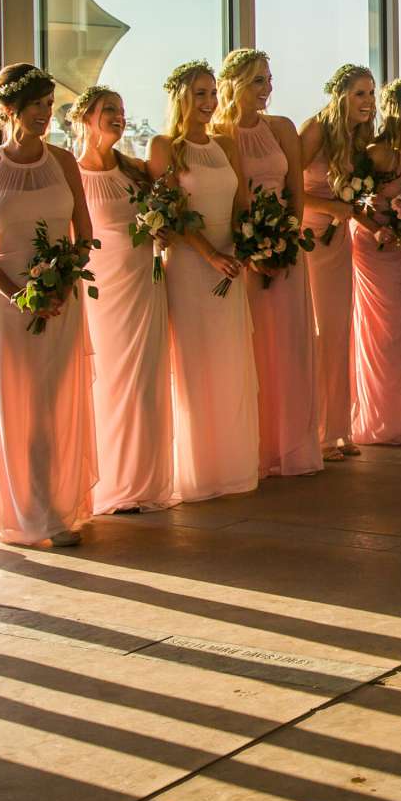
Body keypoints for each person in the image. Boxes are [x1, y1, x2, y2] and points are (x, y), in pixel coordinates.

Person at [0, 65, 96, 549]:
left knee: (56, 400)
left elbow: (86, 233)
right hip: (10, 302)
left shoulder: (64, 161)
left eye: (49, 104)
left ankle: (60, 505)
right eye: (37, 105)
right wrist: (19, 295)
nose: (46, 114)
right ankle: (30, 510)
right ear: (9, 110)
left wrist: (63, 282)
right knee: (23, 403)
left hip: (62, 296)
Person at [150, 60, 264, 500]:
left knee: (232, 361)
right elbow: (170, 214)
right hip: (191, 268)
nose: (210, 101)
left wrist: (241, 244)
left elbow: (240, 202)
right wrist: (210, 254)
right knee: (196, 367)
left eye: (213, 92)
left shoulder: (225, 144)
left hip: (230, 263)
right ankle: (199, 474)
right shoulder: (165, 147)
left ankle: (233, 468)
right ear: (181, 97)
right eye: (200, 93)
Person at [217, 48, 321, 478]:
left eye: (269, 79)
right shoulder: (217, 133)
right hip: (243, 251)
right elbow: (228, 198)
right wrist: (253, 248)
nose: (268, 88)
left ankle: (292, 446)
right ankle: (256, 450)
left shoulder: (282, 128)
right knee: (254, 347)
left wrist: (285, 240)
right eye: (259, 80)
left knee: (290, 343)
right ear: (236, 83)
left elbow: (295, 188)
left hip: (286, 246)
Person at [72, 87, 177, 514]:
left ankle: (144, 482)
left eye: (121, 109)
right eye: (108, 110)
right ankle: (109, 483)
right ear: (84, 118)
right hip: (102, 294)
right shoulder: (71, 174)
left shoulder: (135, 170)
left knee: (145, 383)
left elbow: (166, 215)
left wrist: (163, 230)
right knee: (107, 384)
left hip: (144, 287)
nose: (119, 115)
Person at [300, 64, 376, 460]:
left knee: (339, 331)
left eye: (371, 93)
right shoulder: (316, 128)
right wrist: (331, 206)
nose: (368, 102)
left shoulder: (357, 137)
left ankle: (338, 428)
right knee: (318, 334)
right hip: (309, 239)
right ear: (341, 93)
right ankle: (315, 433)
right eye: (360, 93)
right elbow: (288, 187)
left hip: (338, 243)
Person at [352, 78, 401, 445]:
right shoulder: (378, 152)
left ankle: (391, 416)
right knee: (388, 332)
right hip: (376, 248)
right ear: (394, 111)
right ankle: (386, 424)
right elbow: (351, 200)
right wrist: (379, 228)